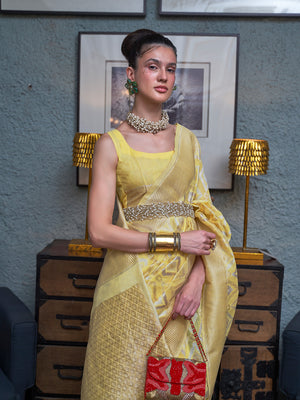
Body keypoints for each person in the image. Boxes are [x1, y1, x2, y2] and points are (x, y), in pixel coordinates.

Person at [81, 29, 238, 400]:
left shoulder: (186, 141)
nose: (164, 76)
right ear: (132, 75)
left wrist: (198, 277)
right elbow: (99, 233)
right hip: (128, 285)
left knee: (175, 389)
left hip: (182, 290)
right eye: (153, 66)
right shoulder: (110, 145)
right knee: (118, 386)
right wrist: (177, 241)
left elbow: (207, 221)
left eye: (171, 68)